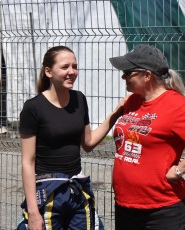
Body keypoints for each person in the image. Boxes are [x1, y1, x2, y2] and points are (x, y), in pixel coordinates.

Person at [109, 44, 185, 230]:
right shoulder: (134, 100)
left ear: (147, 75)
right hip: (126, 205)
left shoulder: (175, 105)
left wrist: (180, 169)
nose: (123, 77)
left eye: (128, 73)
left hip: (161, 209)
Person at [16, 45, 124, 230]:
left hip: (76, 190)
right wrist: (33, 212)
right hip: (48, 192)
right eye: (65, 67)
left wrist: (115, 114)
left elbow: (88, 143)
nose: (72, 72)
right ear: (49, 71)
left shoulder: (79, 99)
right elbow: (28, 161)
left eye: (74, 66)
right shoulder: (33, 107)